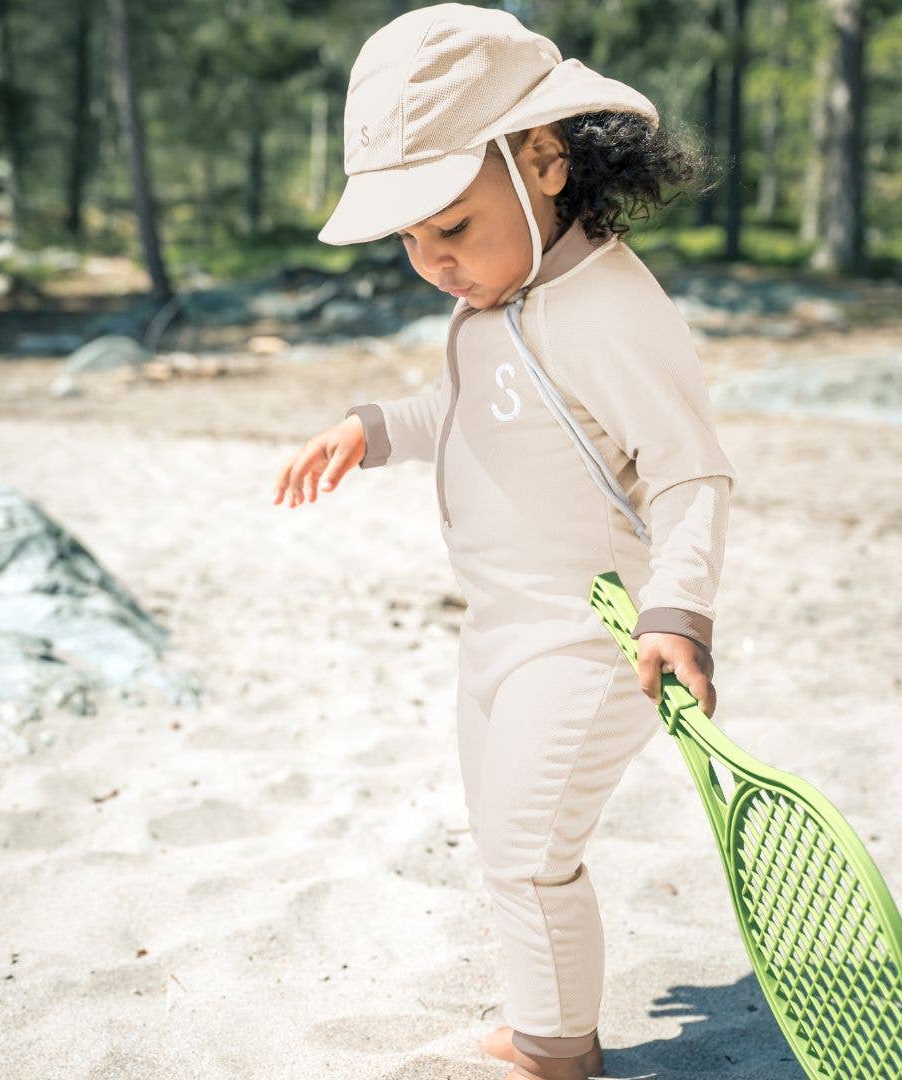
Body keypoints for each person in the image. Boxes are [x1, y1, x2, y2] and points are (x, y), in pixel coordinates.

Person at [272, 5, 737, 1078]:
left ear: (543, 161)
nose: (432, 262)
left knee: (531, 852)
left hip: (594, 637)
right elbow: (474, 410)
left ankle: (554, 1051)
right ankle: (545, 1016)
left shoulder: (609, 308)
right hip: (498, 630)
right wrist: (377, 427)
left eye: (451, 227)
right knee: (503, 842)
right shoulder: (498, 301)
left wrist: (682, 609)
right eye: (411, 241)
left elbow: (689, 471)